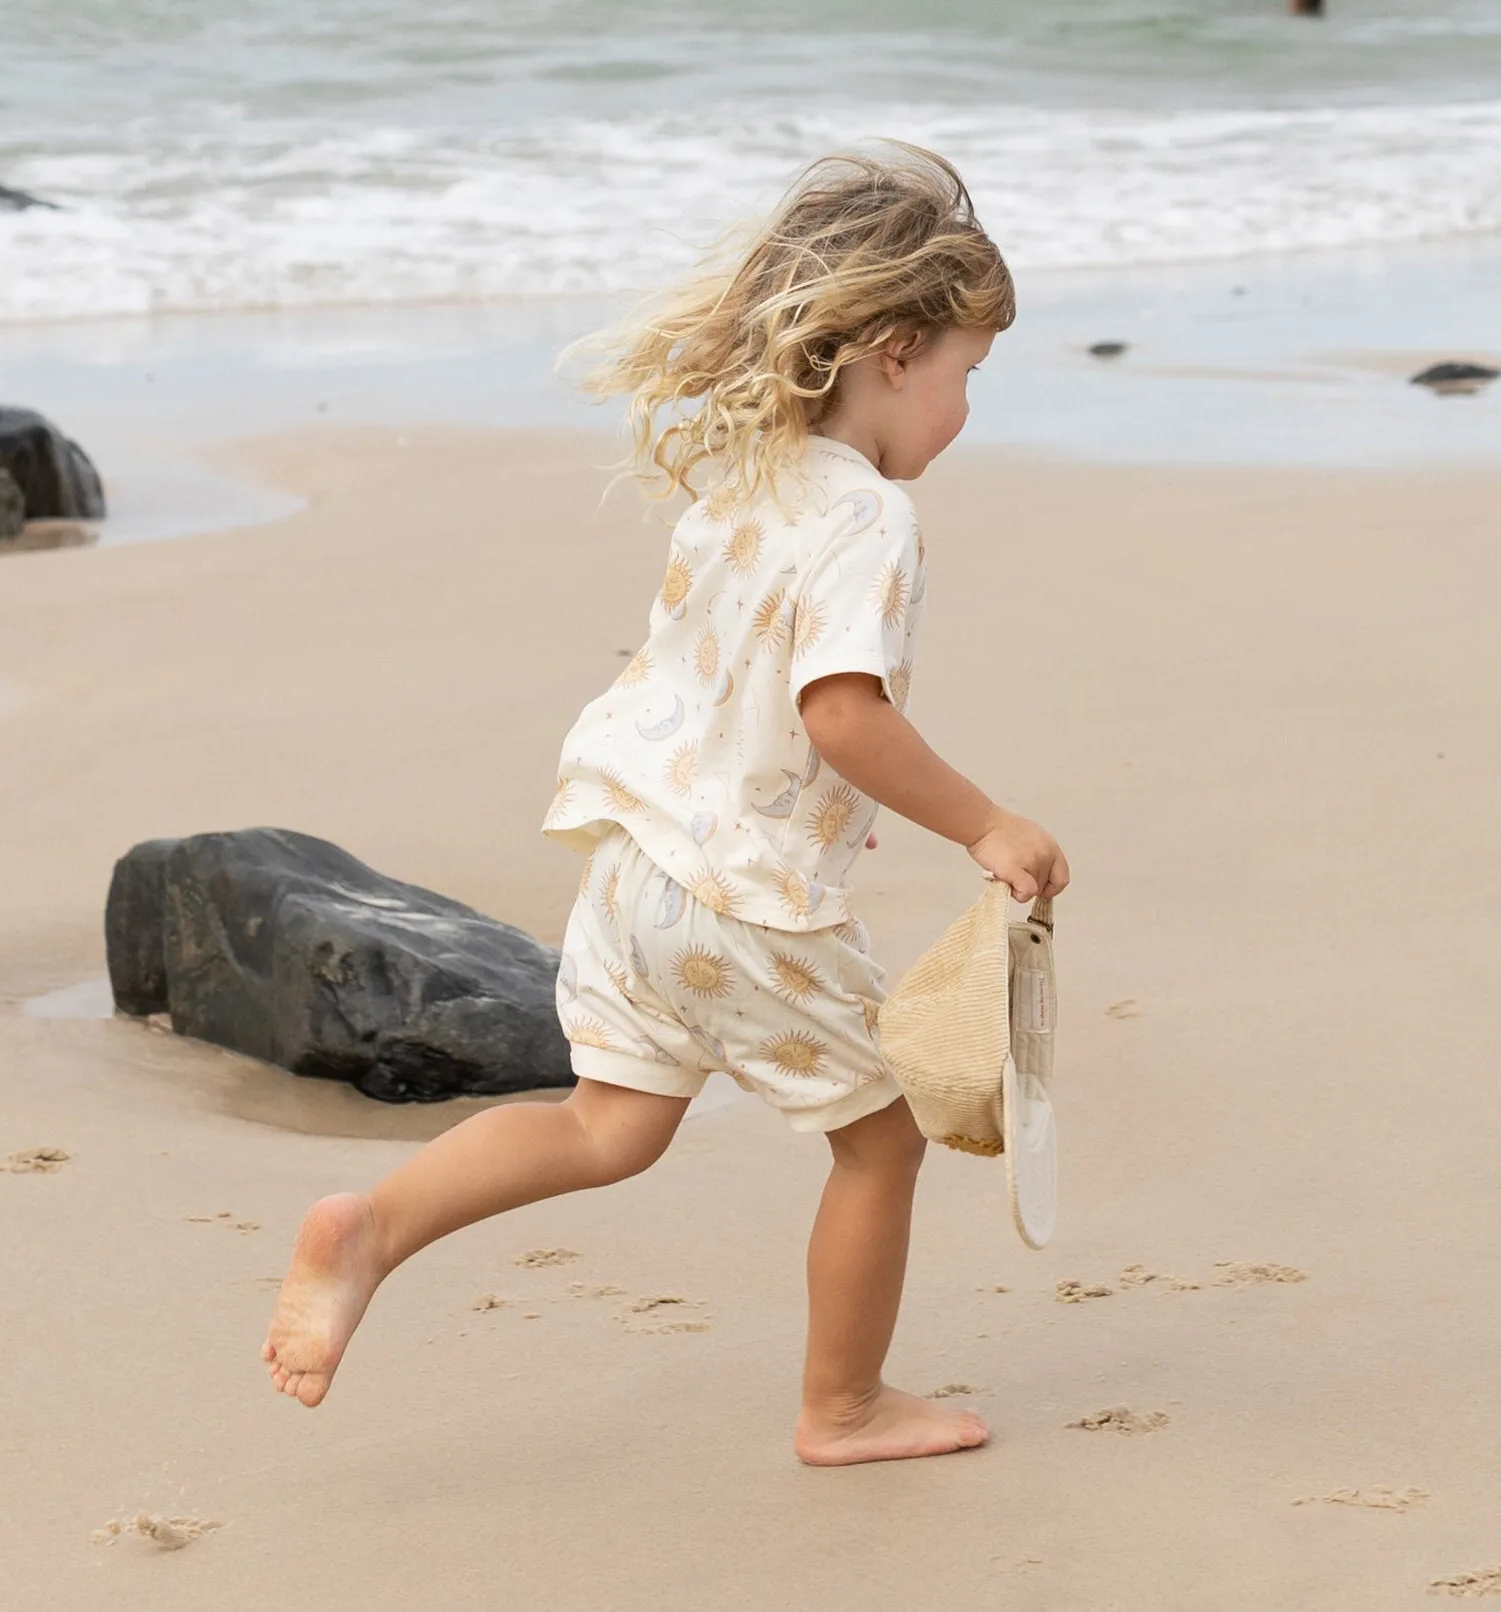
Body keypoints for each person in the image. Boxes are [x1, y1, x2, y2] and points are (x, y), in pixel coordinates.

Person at [260, 142, 1070, 1466]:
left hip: (634, 870)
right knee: (882, 1139)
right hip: (741, 896)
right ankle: (844, 1407)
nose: (968, 411)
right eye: (969, 375)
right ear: (893, 349)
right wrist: (986, 823)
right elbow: (841, 716)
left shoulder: (745, 485)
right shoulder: (867, 520)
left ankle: (377, 1226)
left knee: (609, 1124)